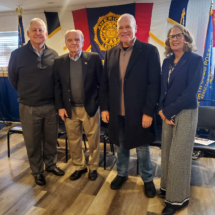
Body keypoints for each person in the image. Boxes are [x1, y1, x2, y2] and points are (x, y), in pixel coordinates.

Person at [99, 14, 161, 198]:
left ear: (136, 28)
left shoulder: (149, 51)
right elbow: (105, 83)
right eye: (120, 27)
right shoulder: (110, 52)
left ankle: (148, 179)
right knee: (120, 145)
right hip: (117, 111)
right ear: (117, 30)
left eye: (128, 26)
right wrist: (104, 108)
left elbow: (154, 84)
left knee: (142, 147)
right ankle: (121, 174)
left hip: (140, 112)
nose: (124, 30)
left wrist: (149, 112)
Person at [8, 18, 65, 186]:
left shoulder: (54, 55)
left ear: (46, 34)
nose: (38, 33)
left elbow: (56, 81)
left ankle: (51, 164)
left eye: (41, 30)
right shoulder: (17, 55)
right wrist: (27, 93)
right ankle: (37, 171)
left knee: (50, 139)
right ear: (28, 33)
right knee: (32, 142)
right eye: (34, 30)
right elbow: (13, 79)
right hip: (28, 106)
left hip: (50, 106)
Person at [158, 24, 203, 215]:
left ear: (186, 38)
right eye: (171, 36)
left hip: (185, 112)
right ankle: (167, 189)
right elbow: (162, 88)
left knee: (179, 157)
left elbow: (190, 92)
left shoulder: (195, 60)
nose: (174, 39)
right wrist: (161, 110)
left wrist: (168, 111)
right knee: (167, 152)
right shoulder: (167, 62)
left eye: (178, 35)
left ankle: (177, 201)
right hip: (166, 113)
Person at [54, 30, 103, 181]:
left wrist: (98, 104)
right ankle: (79, 167)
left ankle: (93, 167)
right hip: (70, 109)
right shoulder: (59, 62)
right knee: (74, 140)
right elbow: (57, 86)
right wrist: (60, 107)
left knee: (93, 140)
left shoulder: (94, 58)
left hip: (90, 108)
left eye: (77, 40)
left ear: (83, 42)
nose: (73, 43)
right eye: (70, 40)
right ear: (66, 43)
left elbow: (102, 84)